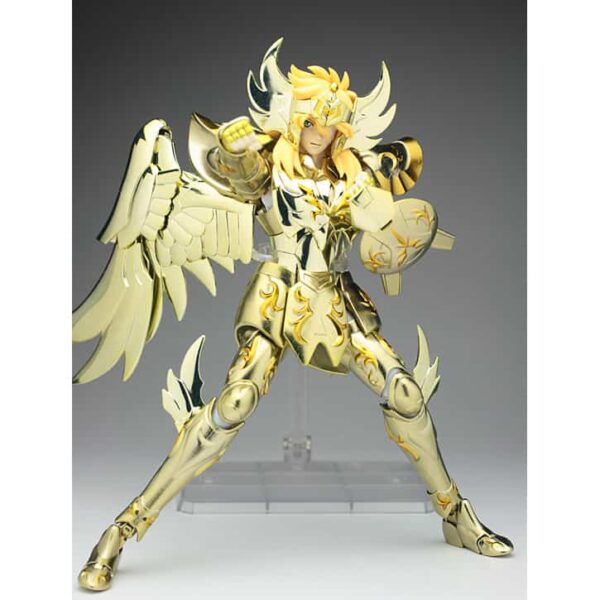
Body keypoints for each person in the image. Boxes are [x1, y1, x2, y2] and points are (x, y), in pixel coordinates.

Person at [74, 39, 513, 592]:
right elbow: (231, 169)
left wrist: (391, 225)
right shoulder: (267, 170)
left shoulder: (357, 178)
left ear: (341, 129)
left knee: (405, 392)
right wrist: (234, 149)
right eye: (310, 121)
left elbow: (393, 225)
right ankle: (124, 526)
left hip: (339, 302)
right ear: (296, 118)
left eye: (329, 124)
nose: (318, 132)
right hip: (278, 299)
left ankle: (455, 515)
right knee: (234, 402)